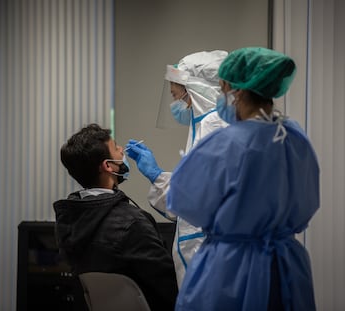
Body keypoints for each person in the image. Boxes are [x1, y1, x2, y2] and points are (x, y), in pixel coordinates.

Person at [167, 47, 320, 310]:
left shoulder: (225, 143)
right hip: (287, 268)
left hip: (231, 268)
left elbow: (184, 202)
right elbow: (308, 202)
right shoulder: (295, 139)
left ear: (231, 89)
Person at [126, 50, 228, 287]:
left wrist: (156, 176)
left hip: (208, 255)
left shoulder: (214, 129)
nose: (175, 105)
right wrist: (158, 177)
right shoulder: (205, 128)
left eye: (177, 96)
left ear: (197, 92)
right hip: (204, 252)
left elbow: (194, 201)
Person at [53, 123, 178, 311]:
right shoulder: (132, 223)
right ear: (108, 166)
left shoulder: (69, 220)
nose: (122, 150)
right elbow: (171, 290)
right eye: (117, 147)